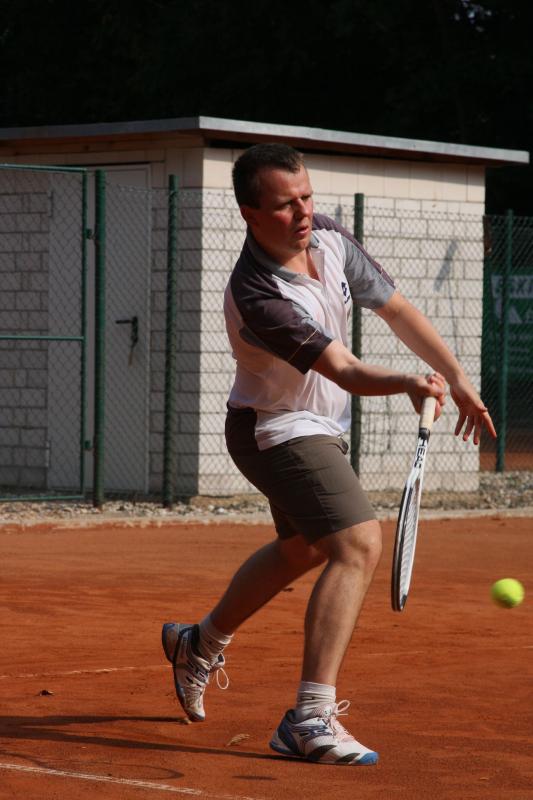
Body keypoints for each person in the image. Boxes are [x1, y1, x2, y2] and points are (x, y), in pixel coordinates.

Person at [162, 143, 496, 766]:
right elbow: (342, 368)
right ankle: (309, 717)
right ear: (250, 214)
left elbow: (396, 308)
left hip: (319, 425)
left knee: (304, 549)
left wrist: (456, 377)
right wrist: (407, 382)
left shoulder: (330, 237)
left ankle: (197, 642)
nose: (303, 213)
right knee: (357, 543)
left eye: (307, 196)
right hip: (275, 429)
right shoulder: (258, 293)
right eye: (285, 205)